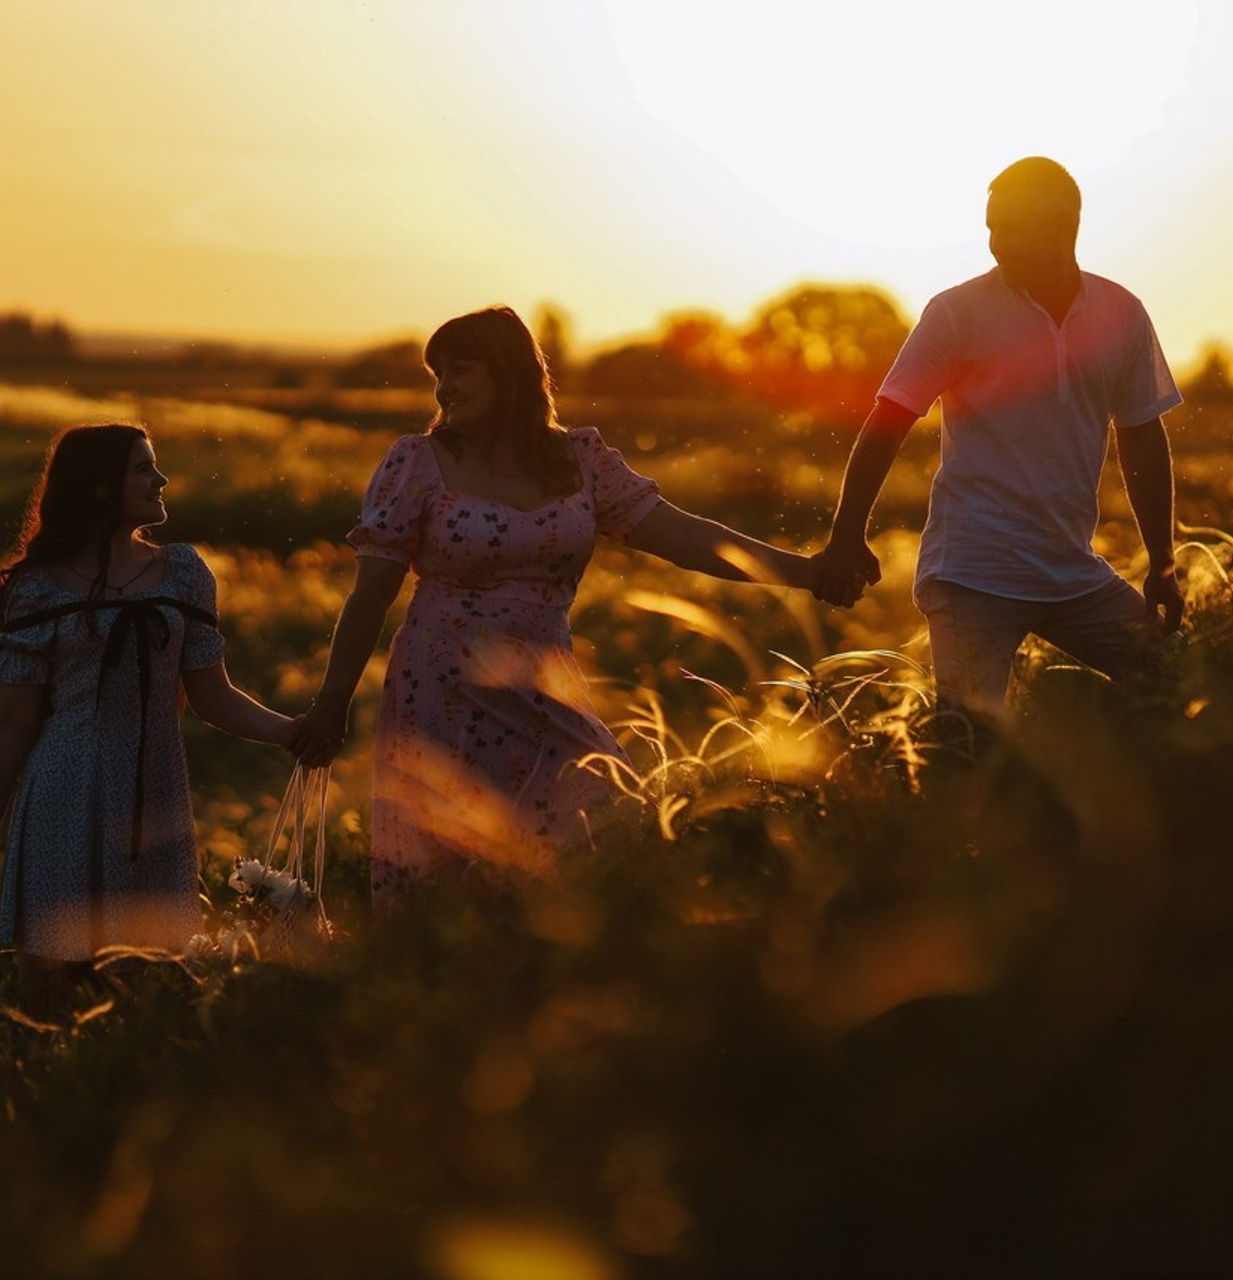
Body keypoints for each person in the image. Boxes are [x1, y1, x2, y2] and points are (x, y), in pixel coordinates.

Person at [291, 305, 811, 899]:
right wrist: (329, 706)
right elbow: (370, 597)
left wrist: (806, 572)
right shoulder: (418, 463)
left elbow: (685, 537)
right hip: (442, 697)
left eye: (460, 370)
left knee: (610, 828)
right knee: (449, 877)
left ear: (509, 374)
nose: (444, 388)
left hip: (545, 688)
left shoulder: (581, 460)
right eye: (437, 374)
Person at [812, 156, 1184, 717]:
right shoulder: (957, 313)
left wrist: (1162, 563)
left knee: (1177, 682)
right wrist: (846, 536)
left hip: (1071, 570)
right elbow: (888, 421)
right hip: (972, 572)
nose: (996, 243)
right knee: (967, 741)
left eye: (1012, 227)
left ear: (1063, 224)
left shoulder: (1121, 313)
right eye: (991, 227)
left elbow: (1143, 438)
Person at [0, 424, 297, 991]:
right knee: (51, 978)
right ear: (100, 487)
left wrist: (294, 733)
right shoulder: (38, 587)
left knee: (150, 976)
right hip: (65, 795)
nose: (161, 480)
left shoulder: (184, 572)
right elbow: (13, 720)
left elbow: (213, 696)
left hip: (153, 799)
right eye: (144, 469)